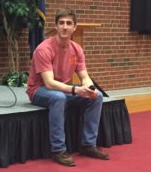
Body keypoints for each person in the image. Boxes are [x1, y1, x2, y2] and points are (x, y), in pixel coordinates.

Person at [26, 9, 109, 166]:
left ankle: (88, 145)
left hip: (64, 89)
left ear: (74, 27)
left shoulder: (77, 49)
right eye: (61, 23)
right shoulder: (44, 49)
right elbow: (49, 83)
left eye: (69, 23)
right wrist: (76, 90)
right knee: (58, 97)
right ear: (56, 26)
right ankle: (58, 150)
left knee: (96, 96)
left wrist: (89, 88)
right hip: (39, 90)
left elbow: (84, 76)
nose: (65, 27)